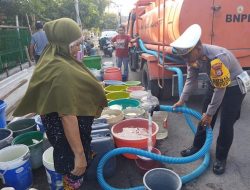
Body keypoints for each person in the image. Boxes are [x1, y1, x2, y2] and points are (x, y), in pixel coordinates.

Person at [14, 18, 107, 189]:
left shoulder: (51, 57)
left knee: (70, 173)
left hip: (61, 138)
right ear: (64, 43)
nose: (79, 49)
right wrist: (79, 155)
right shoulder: (61, 70)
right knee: (74, 176)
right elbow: (67, 116)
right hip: (69, 143)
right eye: (75, 45)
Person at [172, 24, 246, 175]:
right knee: (203, 119)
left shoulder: (218, 58)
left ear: (198, 48)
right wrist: (182, 99)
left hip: (233, 88)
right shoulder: (193, 57)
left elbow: (222, 88)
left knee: (226, 123)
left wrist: (211, 112)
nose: (186, 59)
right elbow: (190, 79)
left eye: (187, 56)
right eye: (184, 56)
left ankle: (221, 158)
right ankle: (197, 147)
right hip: (216, 84)